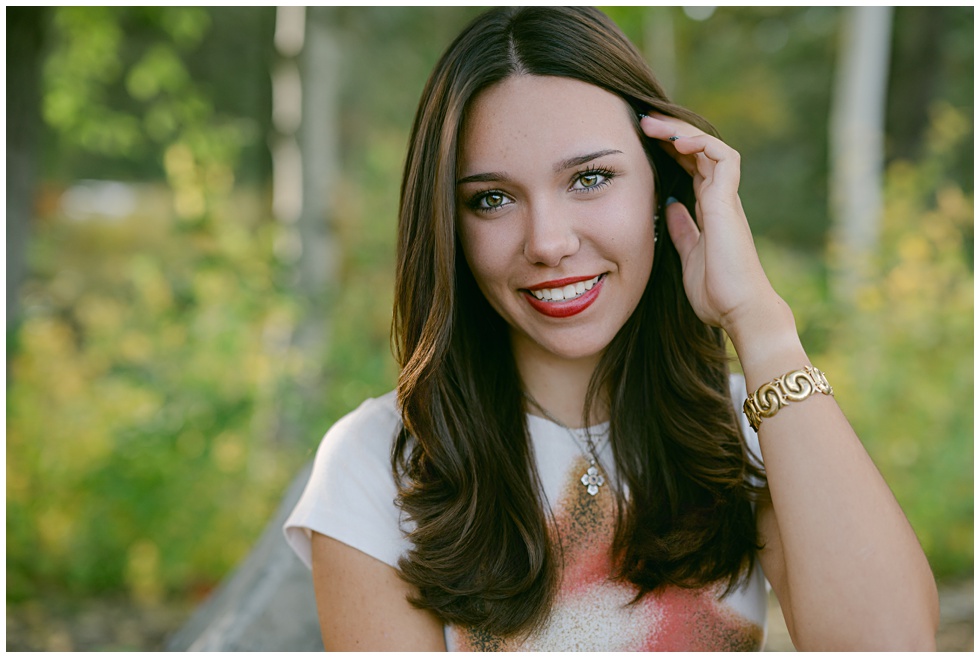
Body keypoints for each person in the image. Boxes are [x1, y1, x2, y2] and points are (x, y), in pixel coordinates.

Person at [284, 6, 938, 651]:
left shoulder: (745, 428)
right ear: (448, 225)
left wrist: (762, 326)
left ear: (661, 187)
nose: (548, 242)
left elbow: (890, 643)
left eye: (590, 179)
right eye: (492, 198)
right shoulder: (380, 465)